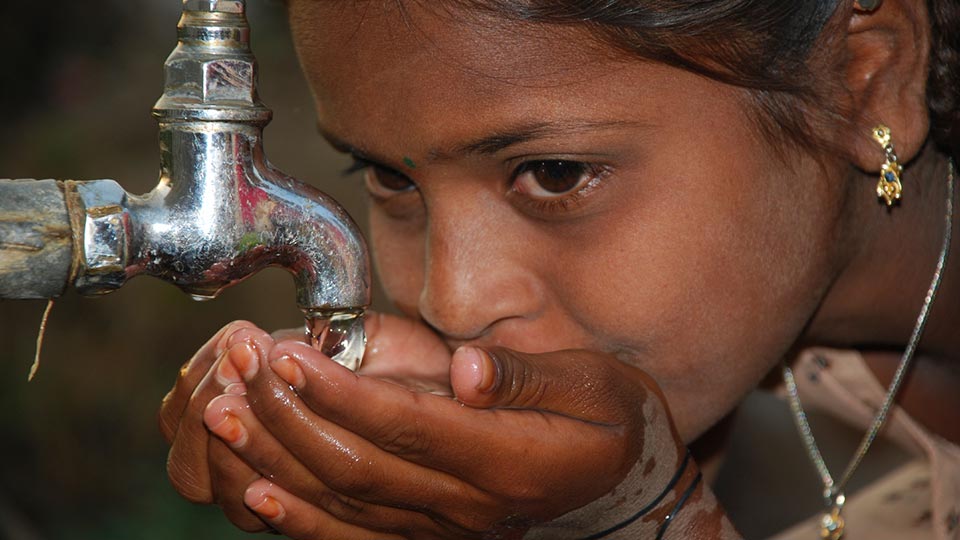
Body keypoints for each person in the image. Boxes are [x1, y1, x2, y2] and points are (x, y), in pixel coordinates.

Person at [158, 0, 960, 538]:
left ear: (867, 74)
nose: (452, 300)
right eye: (390, 178)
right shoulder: (756, 391)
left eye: (556, 174)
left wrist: (640, 517)